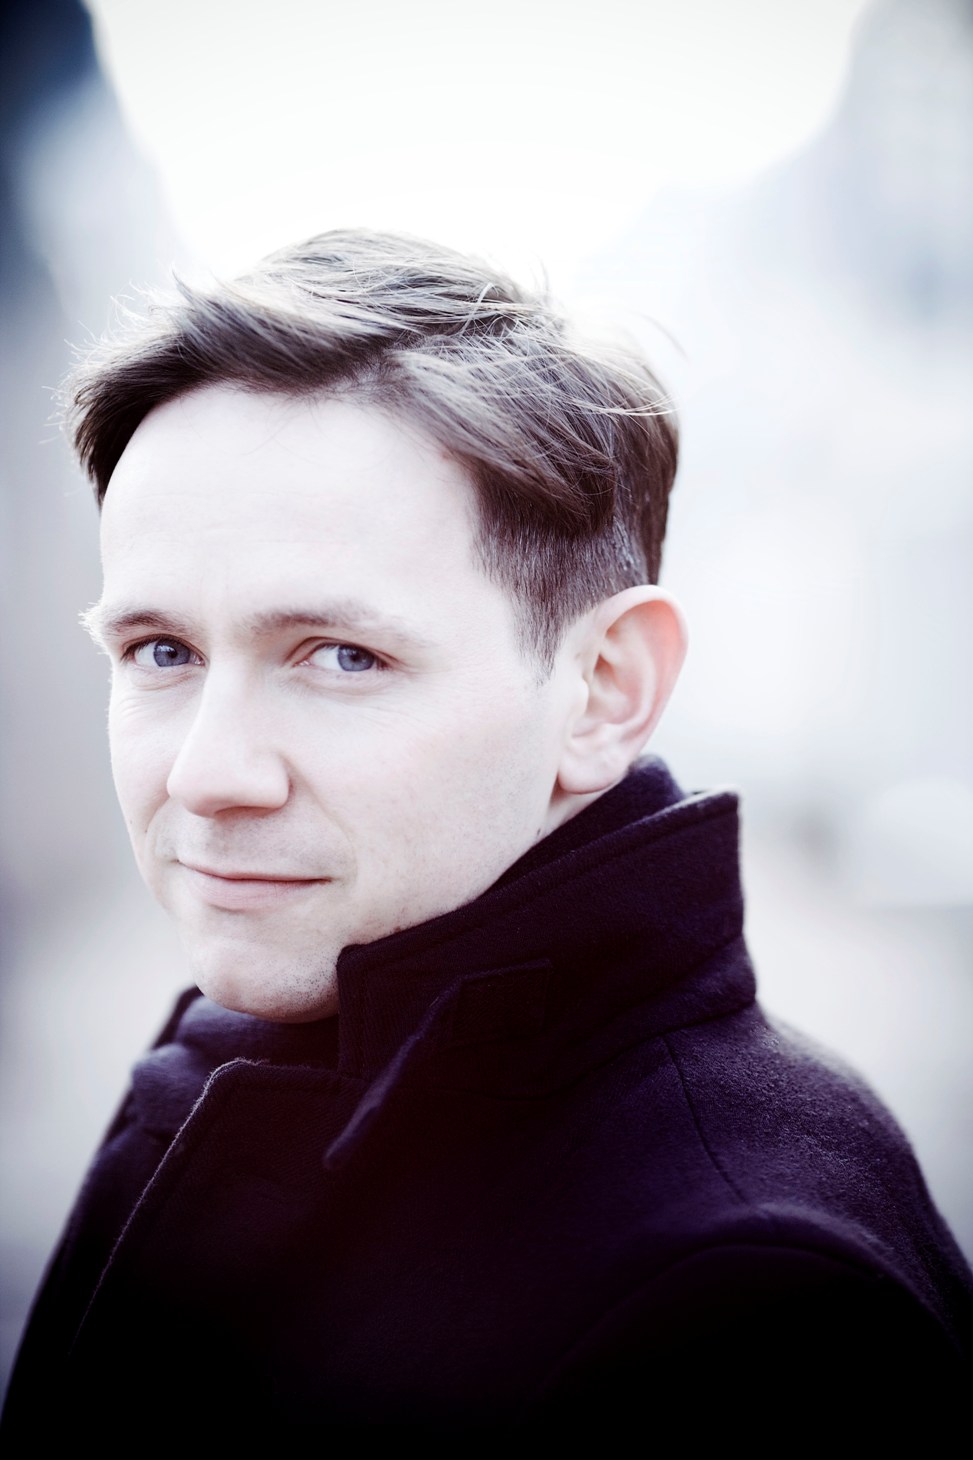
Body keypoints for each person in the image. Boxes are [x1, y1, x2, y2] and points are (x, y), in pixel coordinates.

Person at [3, 229, 970, 1439]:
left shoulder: (748, 1303)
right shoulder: (253, 1056)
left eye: (341, 656)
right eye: (161, 651)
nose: (206, 774)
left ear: (604, 688)